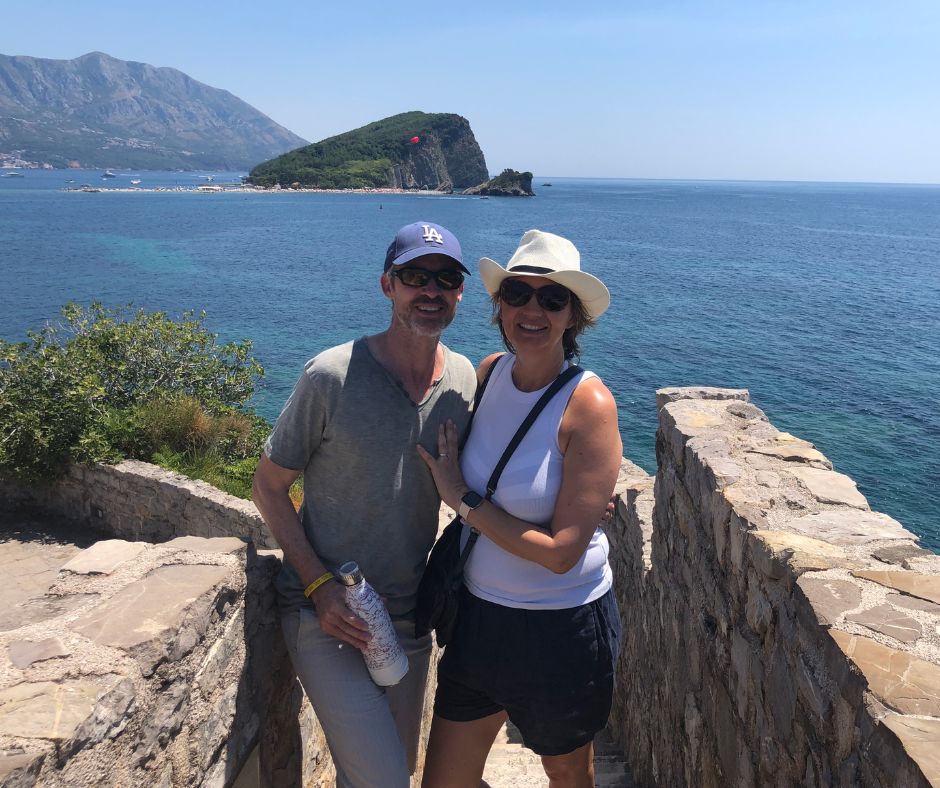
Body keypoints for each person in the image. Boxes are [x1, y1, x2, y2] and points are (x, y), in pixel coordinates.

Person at [251, 221, 478, 788]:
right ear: (387, 286)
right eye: (414, 277)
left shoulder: (463, 381)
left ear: (460, 293)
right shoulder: (331, 376)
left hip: (407, 617)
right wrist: (319, 588)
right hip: (323, 615)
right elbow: (268, 487)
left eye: (446, 278)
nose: (431, 291)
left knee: (389, 771)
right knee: (384, 780)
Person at [417, 229, 623, 788]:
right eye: (517, 293)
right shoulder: (487, 373)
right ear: (498, 305)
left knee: (566, 776)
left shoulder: (589, 405)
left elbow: (560, 555)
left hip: (561, 627)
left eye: (552, 299)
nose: (533, 310)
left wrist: (461, 498)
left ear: (573, 318)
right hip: (479, 620)